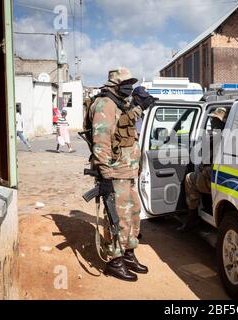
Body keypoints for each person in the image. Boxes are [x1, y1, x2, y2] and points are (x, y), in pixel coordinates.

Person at [87, 68, 148, 282]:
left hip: (127, 171)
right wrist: (104, 176)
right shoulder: (105, 104)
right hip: (114, 172)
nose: (129, 86)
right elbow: (101, 142)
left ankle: (128, 253)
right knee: (117, 218)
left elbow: (126, 128)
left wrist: (140, 106)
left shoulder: (120, 103)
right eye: (126, 83)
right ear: (114, 83)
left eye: (131, 82)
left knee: (133, 214)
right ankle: (114, 260)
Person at [177, 107, 228, 233]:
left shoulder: (222, 138)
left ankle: (192, 219)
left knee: (190, 178)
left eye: (215, 119)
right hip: (222, 180)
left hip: (218, 181)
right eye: (212, 118)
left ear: (222, 122)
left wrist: (205, 169)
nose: (211, 121)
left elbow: (215, 166)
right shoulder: (220, 136)